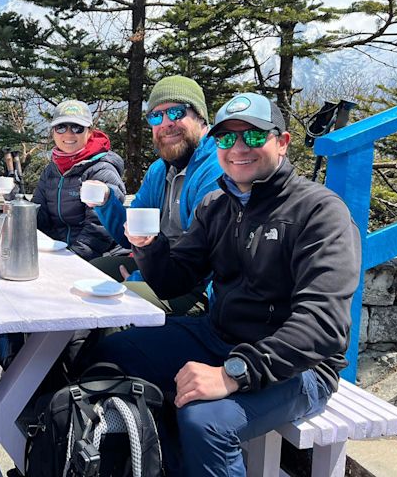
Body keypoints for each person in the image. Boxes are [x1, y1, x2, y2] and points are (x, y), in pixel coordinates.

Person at [90, 92, 361, 476]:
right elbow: (175, 279)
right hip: (219, 335)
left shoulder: (319, 213)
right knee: (111, 353)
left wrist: (233, 373)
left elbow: (324, 328)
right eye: (225, 138)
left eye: (252, 136)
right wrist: (149, 248)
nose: (237, 148)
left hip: (301, 368)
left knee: (206, 420)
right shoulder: (217, 205)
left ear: (281, 143)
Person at [87, 75, 223, 315]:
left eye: (176, 112)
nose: (166, 123)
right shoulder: (159, 170)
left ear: (200, 117)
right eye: (156, 116)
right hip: (158, 266)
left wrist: (141, 277)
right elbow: (131, 234)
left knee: (120, 302)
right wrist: (107, 202)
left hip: (198, 285)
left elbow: (200, 257)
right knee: (91, 271)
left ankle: (104, 353)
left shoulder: (217, 167)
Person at [31, 99, 125, 261]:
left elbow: (99, 231)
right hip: (60, 251)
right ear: (53, 132)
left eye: (77, 128)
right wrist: (13, 202)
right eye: (61, 127)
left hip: (99, 257)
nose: (68, 134)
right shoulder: (52, 170)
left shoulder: (101, 170)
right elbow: (40, 218)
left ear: (89, 132)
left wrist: (70, 260)